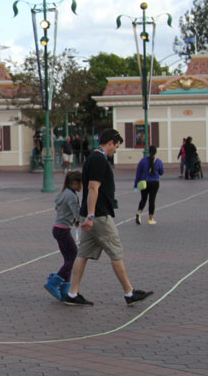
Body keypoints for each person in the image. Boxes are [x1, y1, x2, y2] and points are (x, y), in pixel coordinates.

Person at [62, 129, 152, 307]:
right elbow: (93, 188)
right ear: (110, 142)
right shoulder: (98, 159)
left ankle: (72, 294)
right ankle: (129, 292)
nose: (116, 150)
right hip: (99, 216)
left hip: (93, 215)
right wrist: (91, 215)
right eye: (116, 146)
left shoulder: (93, 159)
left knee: (83, 254)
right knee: (116, 252)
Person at [44, 170, 83, 302]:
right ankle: (54, 283)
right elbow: (77, 213)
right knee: (73, 258)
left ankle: (65, 289)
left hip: (58, 228)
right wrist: (84, 219)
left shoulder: (64, 193)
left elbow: (60, 209)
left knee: (68, 259)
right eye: (81, 183)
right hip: (63, 230)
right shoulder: (71, 196)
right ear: (74, 183)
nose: (82, 186)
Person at [134, 145, 164, 225]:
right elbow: (161, 172)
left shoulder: (143, 161)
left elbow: (138, 173)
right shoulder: (158, 161)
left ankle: (139, 213)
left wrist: (135, 185)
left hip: (144, 182)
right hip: (155, 182)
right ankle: (150, 219)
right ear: (155, 152)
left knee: (143, 199)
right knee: (152, 200)